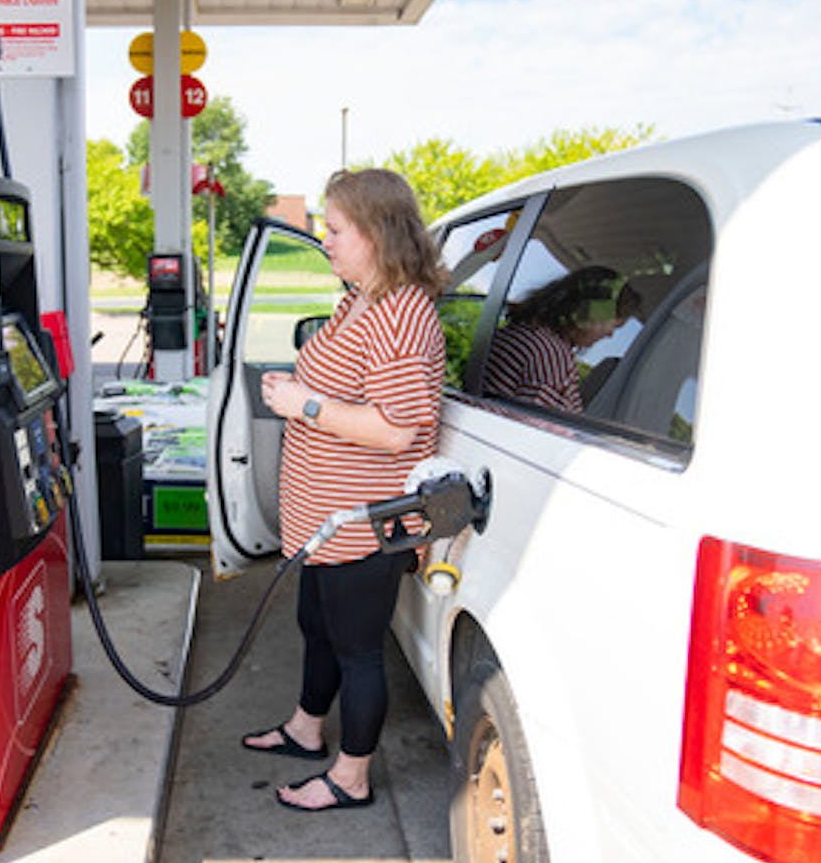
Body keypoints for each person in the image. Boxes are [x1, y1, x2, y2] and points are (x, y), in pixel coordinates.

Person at [244, 168, 447, 812]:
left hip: (362, 521)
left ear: (378, 233)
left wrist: (303, 406)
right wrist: (302, 393)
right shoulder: (359, 297)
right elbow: (347, 387)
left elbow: (394, 430)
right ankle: (306, 730)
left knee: (358, 652)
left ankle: (351, 778)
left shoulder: (402, 315)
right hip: (322, 521)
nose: (323, 240)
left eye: (334, 229)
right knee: (317, 625)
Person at [482, 265, 634, 412]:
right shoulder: (551, 356)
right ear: (591, 314)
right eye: (613, 326)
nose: (610, 335)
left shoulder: (523, 332)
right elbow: (533, 426)